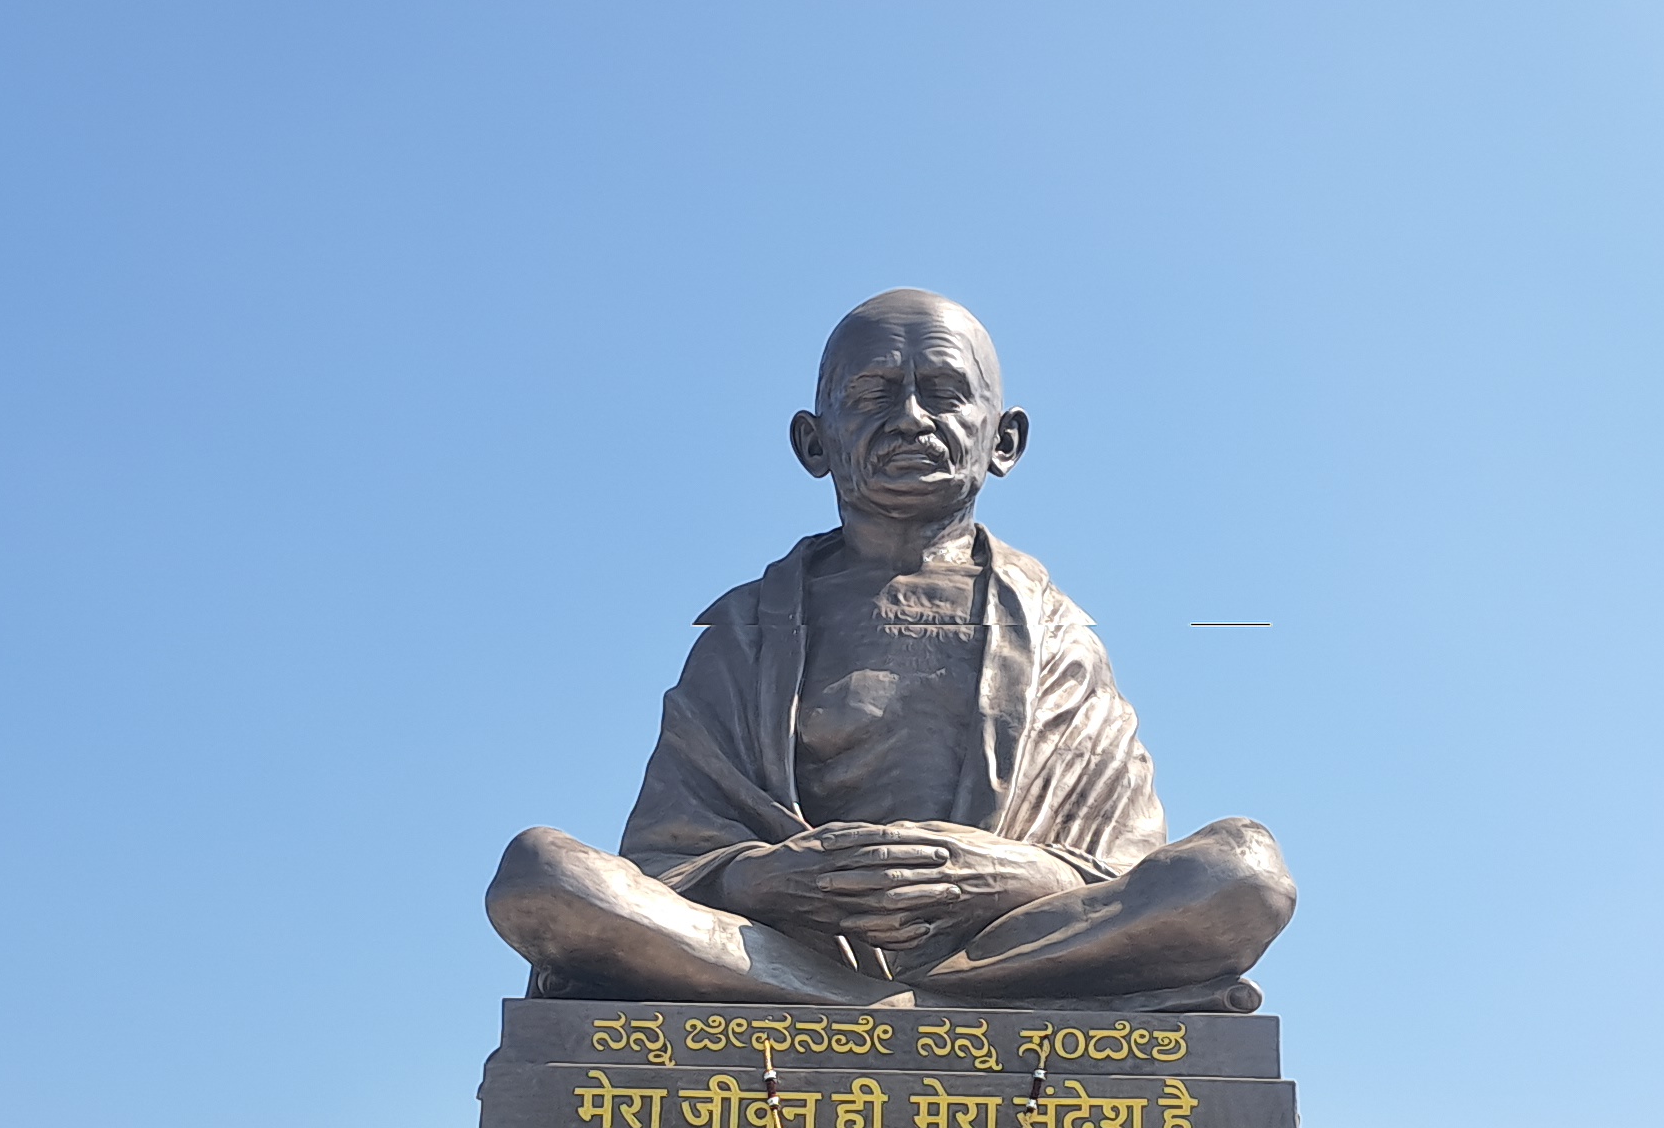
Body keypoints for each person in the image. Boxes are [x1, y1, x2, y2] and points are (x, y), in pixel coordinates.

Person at [482, 288, 1293, 1010]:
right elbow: (665, 857)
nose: (909, 418)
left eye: (944, 394)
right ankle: (871, 998)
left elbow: (1117, 869)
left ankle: (893, 999)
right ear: (814, 440)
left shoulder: (1057, 635)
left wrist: (1027, 877)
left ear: (1004, 439)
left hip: (1018, 940)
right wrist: (755, 879)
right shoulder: (747, 631)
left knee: (1244, 873)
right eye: (871, 394)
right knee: (540, 874)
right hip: (776, 942)